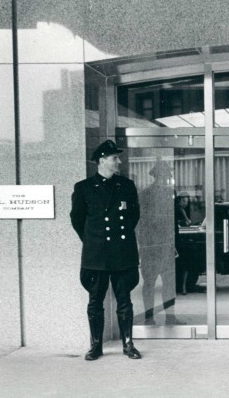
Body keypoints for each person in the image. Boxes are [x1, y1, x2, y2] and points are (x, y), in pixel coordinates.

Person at [70, 140, 142, 361]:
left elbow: (133, 216)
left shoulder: (127, 185)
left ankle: (128, 345)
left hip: (122, 252)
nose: (118, 161)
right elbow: (77, 219)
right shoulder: (83, 188)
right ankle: (96, 346)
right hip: (97, 255)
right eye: (114, 158)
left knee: (125, 300)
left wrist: (117, 241)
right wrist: (94, 240)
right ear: (102, 160)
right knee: (95, 301)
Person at [137, 160, 179, 325]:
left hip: (159, 245)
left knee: (162, 283)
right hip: (155, 245)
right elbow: (142, 221)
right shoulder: (148, 194)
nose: (166, 177)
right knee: (153, 283)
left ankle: (163, 317)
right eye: (165, 174)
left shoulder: (164, 193)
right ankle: (156, 317)